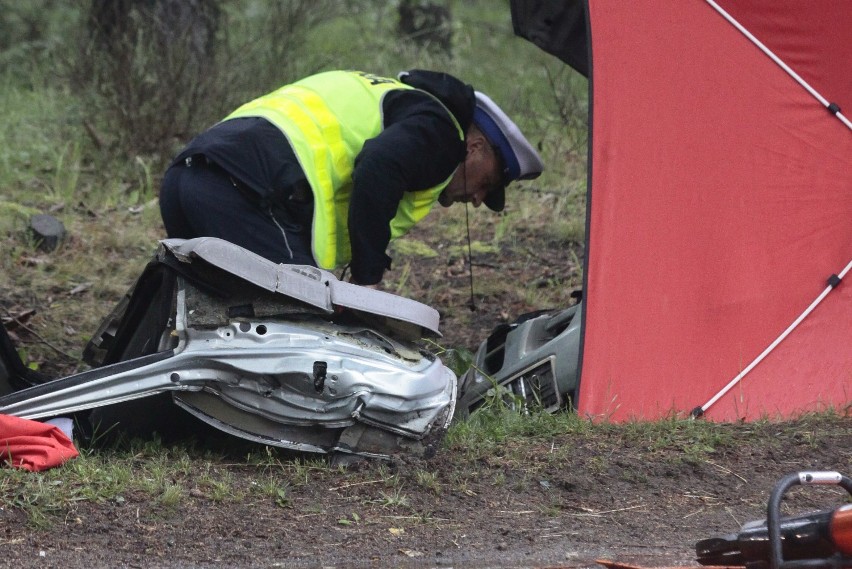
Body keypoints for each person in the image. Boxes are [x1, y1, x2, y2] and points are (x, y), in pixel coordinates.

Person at [159, 69, 543, 285]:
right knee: (298, 322)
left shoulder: (389, 99)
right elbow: (377, 167)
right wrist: (366, 282)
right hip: (244, 193)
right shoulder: (443, 133)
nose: (477, 199)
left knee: (203, 314)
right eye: (488, 183)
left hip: (186, 177)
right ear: (475, 148)